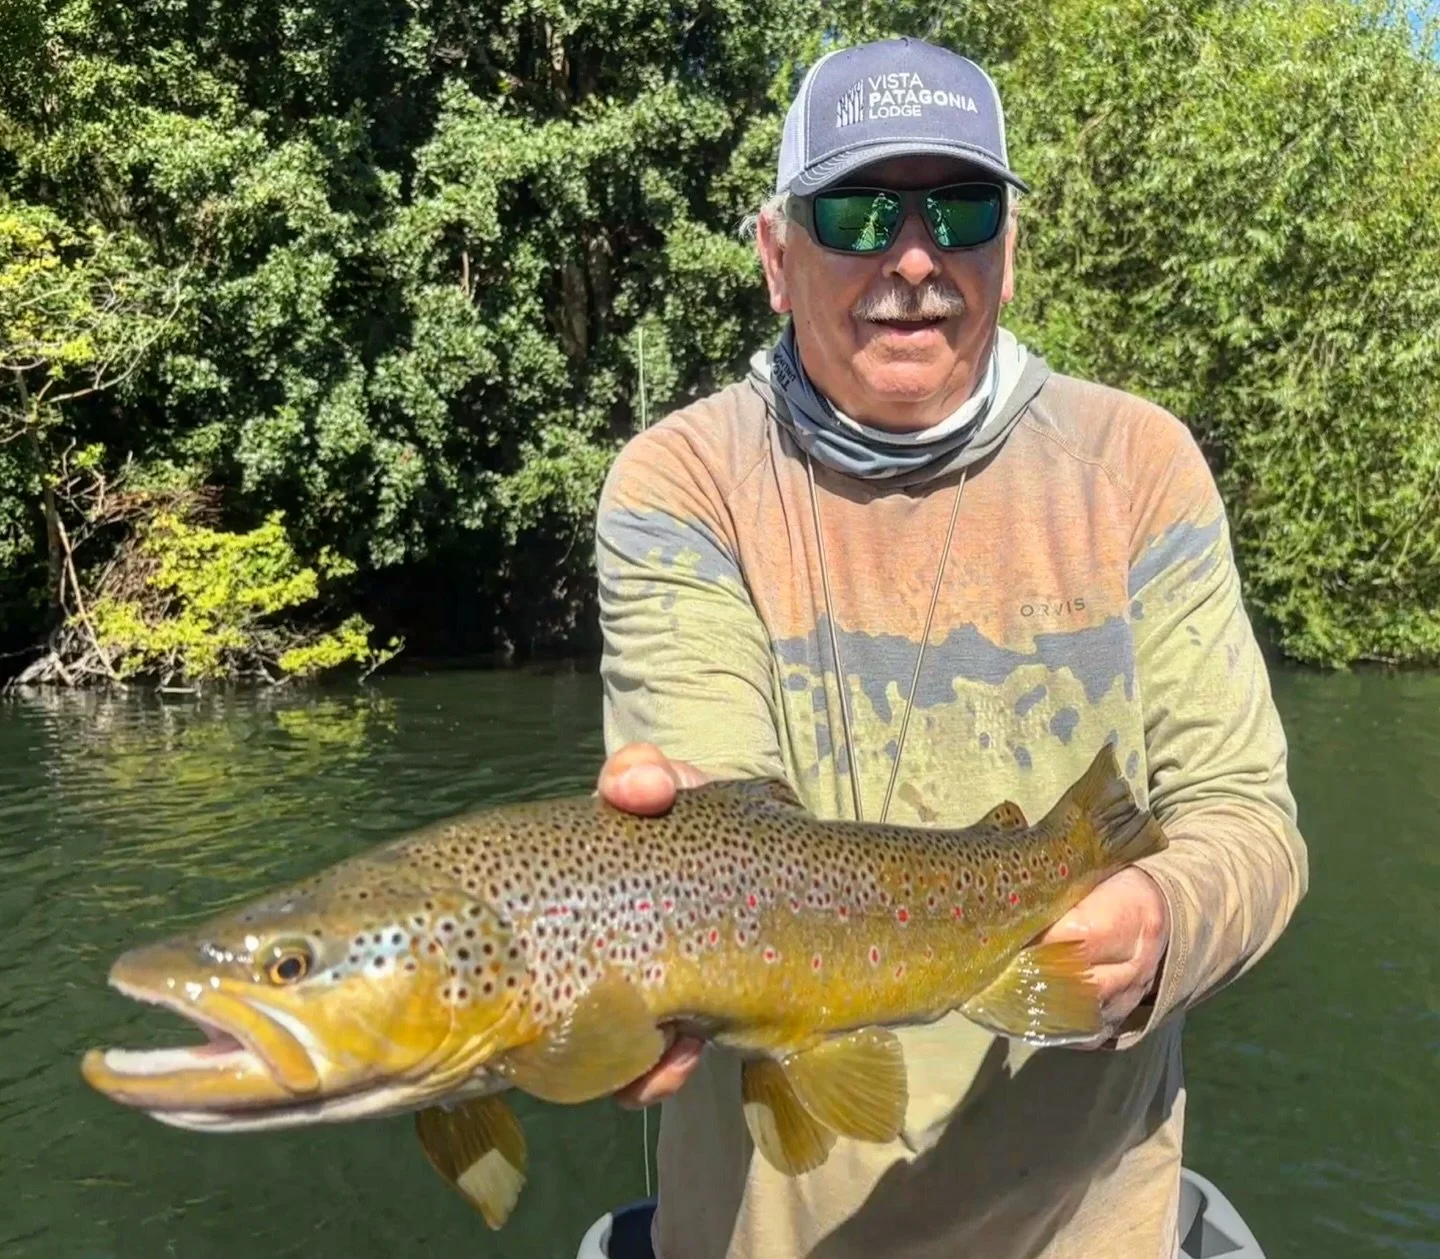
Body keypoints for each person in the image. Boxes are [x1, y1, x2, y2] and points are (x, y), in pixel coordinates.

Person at [591, 35, 1308, 1259]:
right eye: (858, 211)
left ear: (1010, 252)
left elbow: (1250, 820)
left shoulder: (1138, 467)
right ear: (776, 255)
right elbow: (717, 811)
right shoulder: (683, 481)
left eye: (960, 210)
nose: (913, 258)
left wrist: (1161, 915)